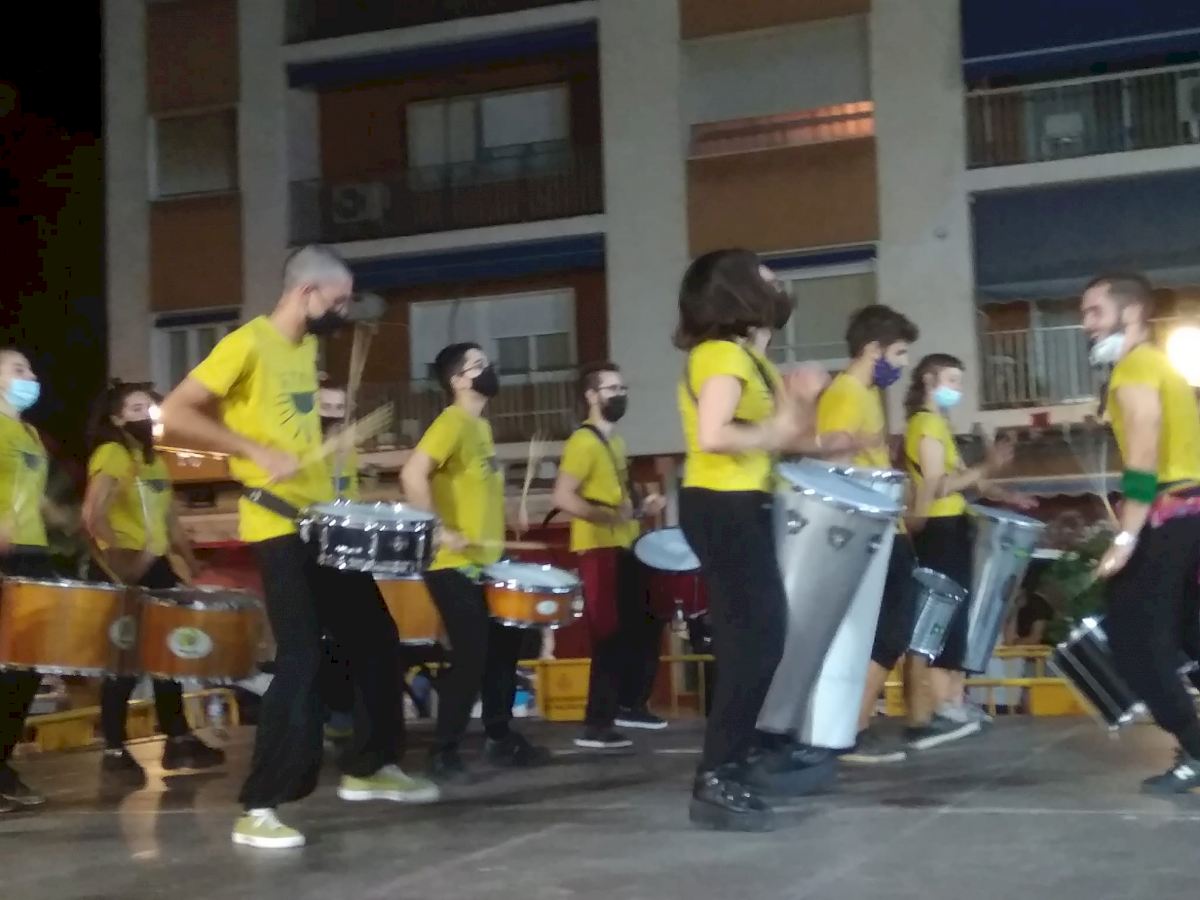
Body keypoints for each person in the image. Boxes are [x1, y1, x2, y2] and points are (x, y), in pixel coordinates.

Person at [161, 245, 437, 851]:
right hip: (278, 526)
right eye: (338, 301)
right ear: (306, 292)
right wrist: (252, 450)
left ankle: (369, 766)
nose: (343, 312)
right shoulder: (248, 344)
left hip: (322, 523)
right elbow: (175, 414)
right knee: (301, 658)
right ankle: (260, 805)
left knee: (376, 637)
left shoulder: (306, 351)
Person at [674, 249, 836, 832]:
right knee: (756, 641)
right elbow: (715, 434)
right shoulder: (719, 354)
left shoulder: (748, 357)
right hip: (721, 503)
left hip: (741, 503)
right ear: (736, 289)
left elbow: (783, 435)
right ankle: (717, 775)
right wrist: (785, 418)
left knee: (759, 640)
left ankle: (735, 761)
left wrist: (805, 406)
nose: (777, 282)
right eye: (765, 275)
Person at [401, 342, 550, 783]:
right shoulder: (452, 422)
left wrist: (509, 512)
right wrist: (437, 528)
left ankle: (499, 737)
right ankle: (443, 751)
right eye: (477, 365)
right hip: (451, 562)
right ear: (457, 380)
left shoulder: (480, 428)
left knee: (504, 649)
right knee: (471, 654)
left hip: (488, 560)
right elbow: (412, 473)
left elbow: (474, 489)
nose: (488, 369)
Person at [1081, 273, 1200, 793]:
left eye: (1095, 312)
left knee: (1134, 638)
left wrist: (1125, 538)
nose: (1085, 324)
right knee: (1185, 631)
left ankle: (1196, 747)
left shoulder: (1134, 369)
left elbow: (1144, 458)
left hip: (1168, 512)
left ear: (1131, 314)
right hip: (1188, 511)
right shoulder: (1160, 366)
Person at [82, 380, 224, 784]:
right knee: (125, 661)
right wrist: (117, 557)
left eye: (149, 408)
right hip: (124, 566)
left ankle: (177, 738)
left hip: (157, 565)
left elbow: (170, 520)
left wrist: (190, 561)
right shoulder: (112, 454)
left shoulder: (154, 461)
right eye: (136, 409)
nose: (146, 415)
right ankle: (114, 747)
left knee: (169, 655)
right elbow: (93, 513)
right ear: (116, 419)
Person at [814, 304, 920, 765]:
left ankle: (853, 724)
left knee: (889, 630)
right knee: (887, 631)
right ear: (873, 349)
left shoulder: (866, 394)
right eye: (899, 353)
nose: (903, 364)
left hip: (886, 525)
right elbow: (834, 467)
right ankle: (850, 727)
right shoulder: (845, 394)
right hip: (868, 529)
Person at [901, 354, 1019, 749]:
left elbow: (962, 480)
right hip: (939, 530)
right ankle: (942, 702)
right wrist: (986, 465)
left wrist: (998, 486)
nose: (957, 388)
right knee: (943, 617)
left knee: (958, 614)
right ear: (928, 379)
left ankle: (953, 698)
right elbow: (939, 485)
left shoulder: (938, 424)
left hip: (951, 526)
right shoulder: (926, 424)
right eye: (951, 380)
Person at [552, 361, 667, 751]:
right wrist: (603, 516)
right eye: (611, 389)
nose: (620, 395)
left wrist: (641, 509)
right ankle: (597, 723)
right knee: (609, 632)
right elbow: (563, 496)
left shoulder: (615, 443)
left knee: (644, 623)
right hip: (599, 546)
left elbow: (619, 502)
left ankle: (630, 704)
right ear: (591, 396)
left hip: (624, 542)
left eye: (622, 388)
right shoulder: (582, 443)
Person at [0, 348, 58, 815]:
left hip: (33, 551)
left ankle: (2, 762)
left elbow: (29, 492)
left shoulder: (32, 434)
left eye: (30, 368)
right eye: (18, 369)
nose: (30, 376)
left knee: (28, 666)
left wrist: (56, 514)